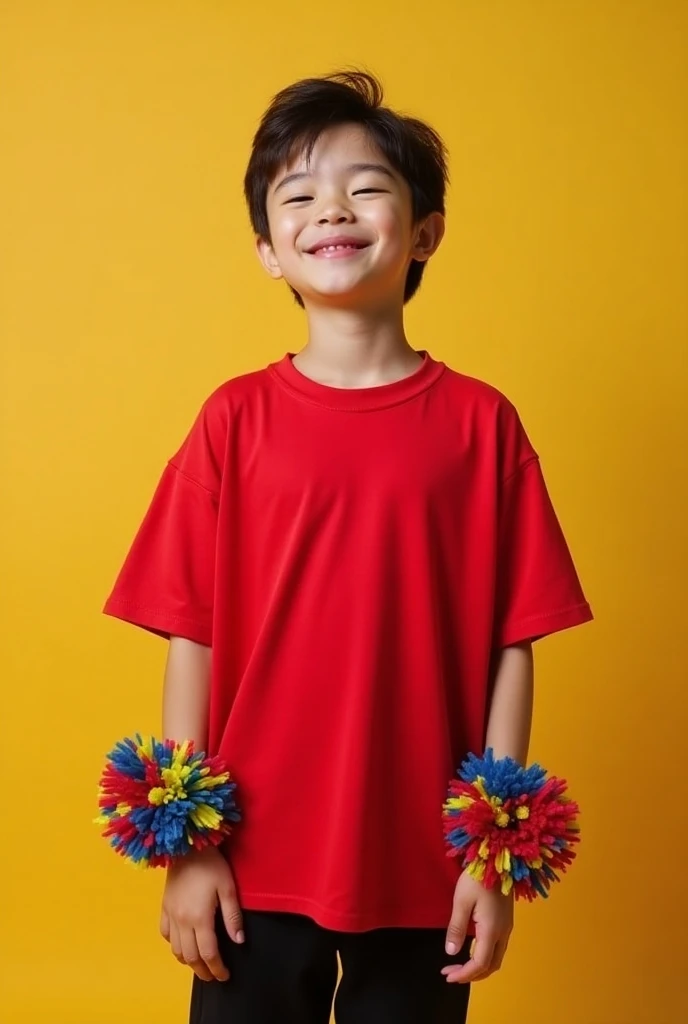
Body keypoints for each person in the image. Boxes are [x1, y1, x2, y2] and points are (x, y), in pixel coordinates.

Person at [103, 70, 593, 1024]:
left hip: (421, 862)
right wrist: (185, 848)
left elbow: (513, 645)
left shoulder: (480, 425)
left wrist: (494, 856)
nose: (332, 207)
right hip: (249, 859)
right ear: (268, 251)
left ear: (425, 231)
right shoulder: (233, 421)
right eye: (299, 194)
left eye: (366, 186)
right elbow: (188, 635)